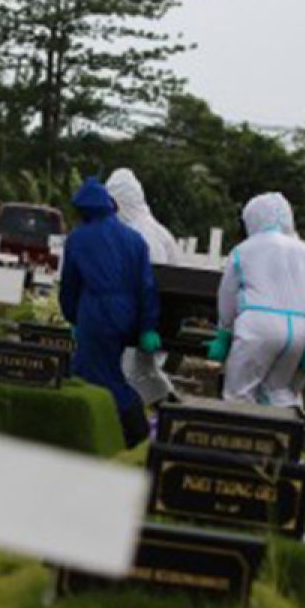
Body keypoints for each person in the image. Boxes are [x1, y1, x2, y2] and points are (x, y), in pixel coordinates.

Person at [61, 177, 161, 448]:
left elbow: (70, 284)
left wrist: (73, 316)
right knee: (96, 368)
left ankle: (135, 431)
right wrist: (146, 326)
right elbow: (147, 286)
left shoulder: (78, 239)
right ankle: (99, 426)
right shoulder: (135, 239)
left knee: (99, 374)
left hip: (96, 310)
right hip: (126, 312)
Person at [208, 193, 305, 407]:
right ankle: (289, 437)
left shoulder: (244, 250)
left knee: (239, 394)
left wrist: (224, 333)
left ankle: (243, 437)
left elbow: (227, 294)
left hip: (258, 327)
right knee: (278, 392)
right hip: (298, 331)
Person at [106, 167, 179, 407]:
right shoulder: (155, 230)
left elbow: (147, 286)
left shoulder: (141, 233)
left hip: (145, 321)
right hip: (160, 319)